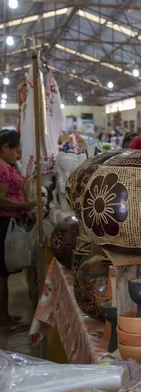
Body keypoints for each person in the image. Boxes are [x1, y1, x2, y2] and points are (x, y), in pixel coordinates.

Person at [0, 131, 36, 331]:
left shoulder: (7, 166)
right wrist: (26, 204)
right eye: (16, 151)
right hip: (4, 222)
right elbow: (0, 199)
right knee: (2, 273)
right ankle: (2, 319)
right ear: (5, 147)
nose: (17, 155)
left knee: (4, 273)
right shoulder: (2, 169)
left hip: (9, 221)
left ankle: (4, 315)